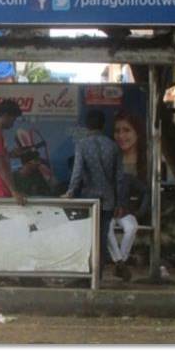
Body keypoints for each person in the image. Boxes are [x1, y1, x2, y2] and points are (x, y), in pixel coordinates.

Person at [63, 109, 127, 281]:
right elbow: (119, 178)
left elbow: (77, 173)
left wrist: (70, 193)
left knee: (87, 236)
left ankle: (86, 274)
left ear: (87, 125)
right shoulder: (113, 146)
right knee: (102, 238)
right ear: (103, 125)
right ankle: (97, 276)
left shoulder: (82, 145)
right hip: (108, 201)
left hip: (88, 200)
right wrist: (120, 203)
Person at [108, 111, 152, 281]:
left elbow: (145, 190)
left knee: (131, 228)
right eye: (117, 131)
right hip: (109, 210)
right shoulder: (111, 161)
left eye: (126, 130)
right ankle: (120, 262)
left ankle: (121, 262)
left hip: (127, 211)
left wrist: (138, 211)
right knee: (105, 229)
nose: (121, 136)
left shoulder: (146, 161)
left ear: (137, 133)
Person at [0, 99, 27, 205]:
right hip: (0, 191)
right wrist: (14, 192)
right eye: (13, 119)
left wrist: (10, 154)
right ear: (6, 116)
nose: (13, 123)